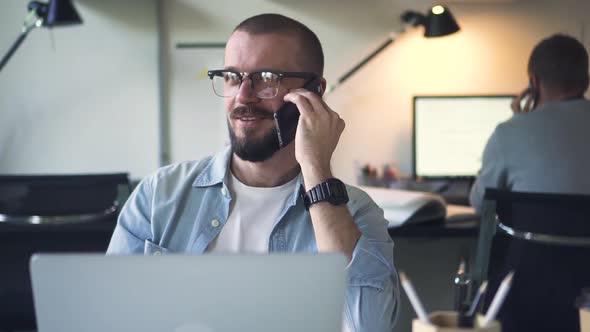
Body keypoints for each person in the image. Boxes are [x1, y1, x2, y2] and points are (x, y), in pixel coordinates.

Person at [107, 13, 398, 331]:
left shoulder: (354, 212)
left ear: (314, 90)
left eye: (267, 77)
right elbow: (110, 317)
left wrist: (316, 168)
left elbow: (369, 326)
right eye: (232, 76)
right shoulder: (158, 195)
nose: (243, 96)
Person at [470, 34, 590, 212]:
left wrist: (519, 122)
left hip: (533, 240)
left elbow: (481, 203)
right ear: (587, 82)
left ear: (534, 82)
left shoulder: (508, 133)